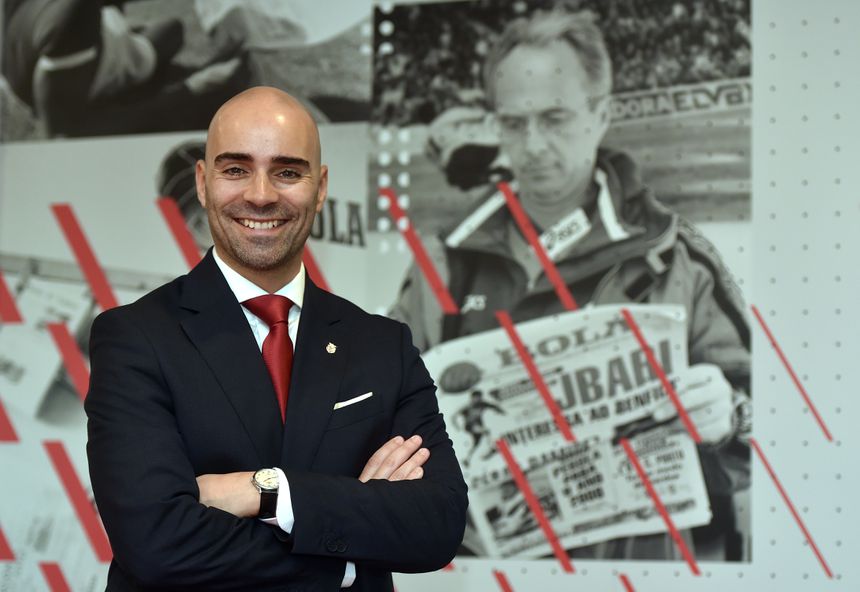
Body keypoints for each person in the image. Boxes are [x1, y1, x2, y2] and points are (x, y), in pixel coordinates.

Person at [391, 8, 751, 561]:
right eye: (514, 123)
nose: (533, 145)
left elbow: (772, 434)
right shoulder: (442, 264)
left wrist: (729, 417)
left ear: (602, 114)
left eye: (555, 118)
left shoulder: (678, 258)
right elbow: (378, 416)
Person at [85, 86, 468, 591]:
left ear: (321, 186)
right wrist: (348, 559)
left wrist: (266, 493)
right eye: (235, 169)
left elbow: (437, 524)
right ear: (203, 183)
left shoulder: (383, 345)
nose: (261, 195)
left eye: (287, 172)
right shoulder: (134, 338)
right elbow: (156, 541)